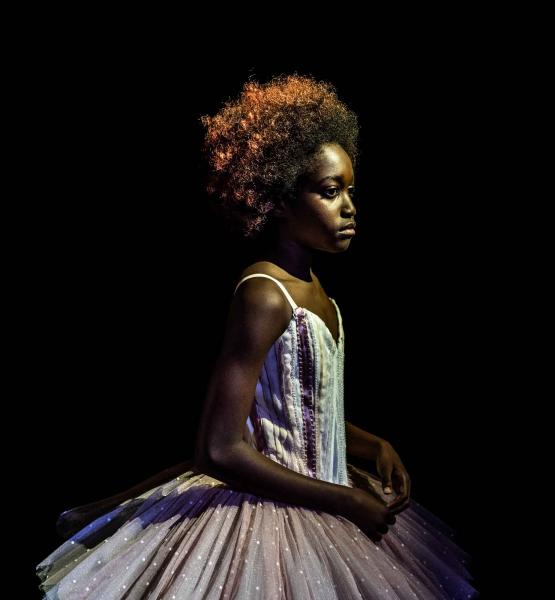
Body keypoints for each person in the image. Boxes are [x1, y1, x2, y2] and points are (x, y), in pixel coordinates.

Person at [36, 73, 478, 599]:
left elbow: (294, 412)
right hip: (270, 513)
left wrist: (371, 444)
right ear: (279, 200)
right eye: (329, 192)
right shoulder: (264, 294)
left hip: (321, 499)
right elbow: (218, 448)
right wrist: (345, 500)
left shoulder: (318, 292)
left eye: (350, 191)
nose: (349, 207)